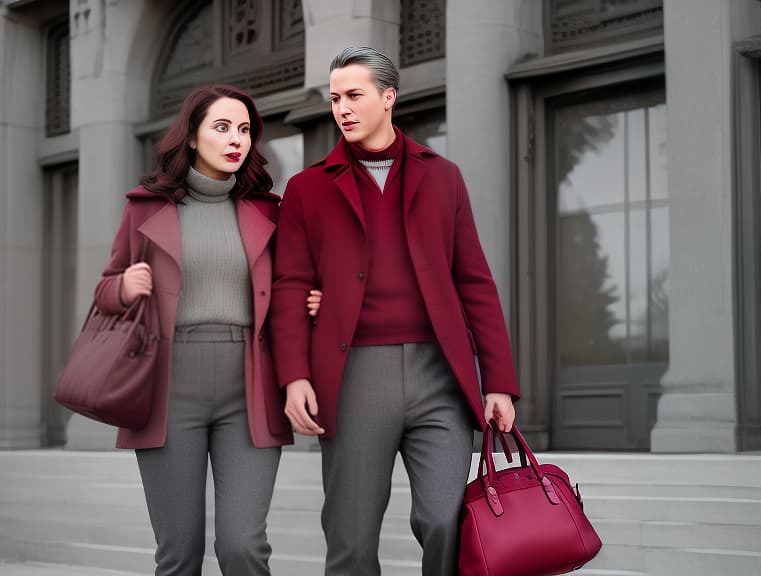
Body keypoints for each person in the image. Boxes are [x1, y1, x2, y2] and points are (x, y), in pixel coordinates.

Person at [269, 47, 521, 576]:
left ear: (389, 98)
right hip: (355, 372)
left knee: (445, 522)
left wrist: (497, 381)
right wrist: (294, 375)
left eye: (354, 95)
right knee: (351, 535)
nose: (343, 108)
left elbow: (474, 281)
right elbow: (290, 285)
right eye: (336, 98)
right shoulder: (306, 188)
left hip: (441, 377)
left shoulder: (443, 176)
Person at [93, 84, 320, 576]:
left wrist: (313, 304)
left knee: (243, 547)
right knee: (178, 554)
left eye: (244, 130)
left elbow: (288, 288)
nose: (236, 139)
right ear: (192, 137)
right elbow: (104, 292)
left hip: (251, 383)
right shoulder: (145, 208)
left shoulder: (268, 211)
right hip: (168, 387)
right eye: (222, 127)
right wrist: (125, 288)